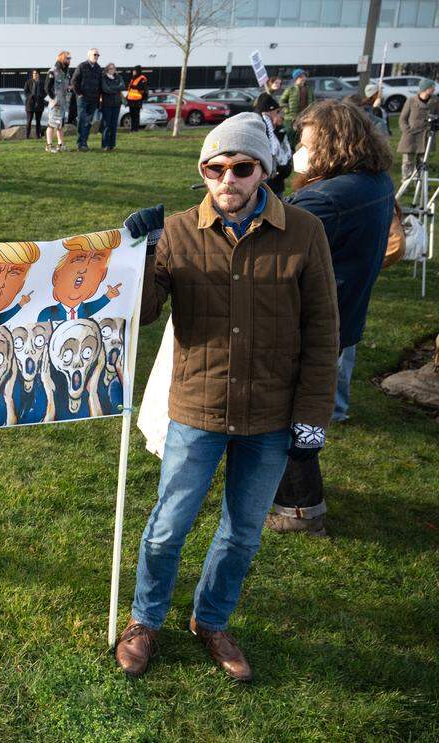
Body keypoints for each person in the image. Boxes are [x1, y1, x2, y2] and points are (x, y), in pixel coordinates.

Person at [115, 112, 339, 682]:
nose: (227, 179)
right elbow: (138, 315)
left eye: (241, 167)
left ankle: (210, 620)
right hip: (197, 409)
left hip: (271, 415)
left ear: (263, 171)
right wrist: (134, 254)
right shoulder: (180, 233)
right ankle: (145, 620)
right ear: (204, 173)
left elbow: (323, 335)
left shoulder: (305, 234)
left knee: (241, 531)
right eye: (215, 169)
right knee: (169, 524)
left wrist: (312, 419)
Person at [267, 100, 395, 536]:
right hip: (343, 316)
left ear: (331, 145)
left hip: (312, 324)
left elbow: (271, 234)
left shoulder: (329, 197)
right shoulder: (373, 180)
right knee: (303, 410)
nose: (300, 150)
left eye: (306, 143)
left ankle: (300, 510)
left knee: (292, 415)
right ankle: (290, 499)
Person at [397, 78, 436, 182]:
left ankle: (419, 181)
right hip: (411, 136)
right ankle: (406, 181)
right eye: (432, 87)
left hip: (426, 135)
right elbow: (402, 119)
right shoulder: (411, 101)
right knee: (407, 161)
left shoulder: (435, 101)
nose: (434, 89)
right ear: (425, 88)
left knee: (423, 161)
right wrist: (406, 130)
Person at [253, 95, 292, 196]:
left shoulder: (279, 130)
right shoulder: (262, 130)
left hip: (277, 184)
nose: (282, 115)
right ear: (268, 113)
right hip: (266, 184)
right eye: (278, 112)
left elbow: (286, 152)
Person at [71, 48, 103, 151]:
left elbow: (100, 84)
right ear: (89, 55)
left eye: (98, 55)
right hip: (83, 99)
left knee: (89, 121)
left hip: (93, 99)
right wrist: (79, 94)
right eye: (95, 54)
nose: (97, 56)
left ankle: (84, 142)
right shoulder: (82, 66)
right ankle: (80, 143)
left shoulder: (98, 68)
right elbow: (74, 81)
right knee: (82, 119)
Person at [44, 50, 73, 153]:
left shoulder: (66, 72)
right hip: (56, 103)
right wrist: (54, 99)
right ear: (61, 58)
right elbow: (47, 87)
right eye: (67, 58)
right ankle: (49, 145)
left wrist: (69, 88)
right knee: (52, 123)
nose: (69, 60)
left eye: (70, 58)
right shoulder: (53, 71)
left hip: (64, 103)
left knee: (61, 124)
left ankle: (60, 145)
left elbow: (65, 86)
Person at [279, 68, 314, 147]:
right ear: (296, 78)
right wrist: (287, 110)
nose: (303, 78)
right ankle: (289, 152)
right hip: (291, 117)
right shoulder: (290, 89)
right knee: (290, 135)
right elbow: (281, 101)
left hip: (305, 116)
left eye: (304, 76)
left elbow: (313, 102)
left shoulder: (309, 89)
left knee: (302, 135)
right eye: (301, 76)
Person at [100, 63, 125, 151]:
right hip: (107, 105)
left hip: (117, 104)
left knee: (114, 125)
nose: (112, 70)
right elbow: (105, 89)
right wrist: (116, 89)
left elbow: (122, 86)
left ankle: (112, 145)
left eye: (113, 68)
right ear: (107, 69)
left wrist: (113, 88)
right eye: (110, 68)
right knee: (107, 125)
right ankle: (105, 145)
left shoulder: (119, 77)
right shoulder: (103, 78)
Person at [23, 69, 45, 139]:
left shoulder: (42, 83)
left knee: (38, 121)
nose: (35, 75)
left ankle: (38, 136)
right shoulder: (28, 82)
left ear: (39, 74)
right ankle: (27, 136)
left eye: (36, 73)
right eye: (34, 73)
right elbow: (25, 92)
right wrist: (30, 96)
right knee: (29, 121)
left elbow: (45, 92)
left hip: (39, 104)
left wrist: (41, 96)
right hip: (30, 104)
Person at [126, 65, 148, 133]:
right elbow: (130, 89)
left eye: (134, 71)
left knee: (136, 115)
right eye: (133, 71)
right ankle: (132, 129)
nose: (133, 72)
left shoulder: (142, 78)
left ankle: (136, 129)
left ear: (138, 71)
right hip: (131, 100)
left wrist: (133, 86)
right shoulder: (133, 78)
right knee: (132, 115)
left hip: (137, 100)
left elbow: (142, 88)